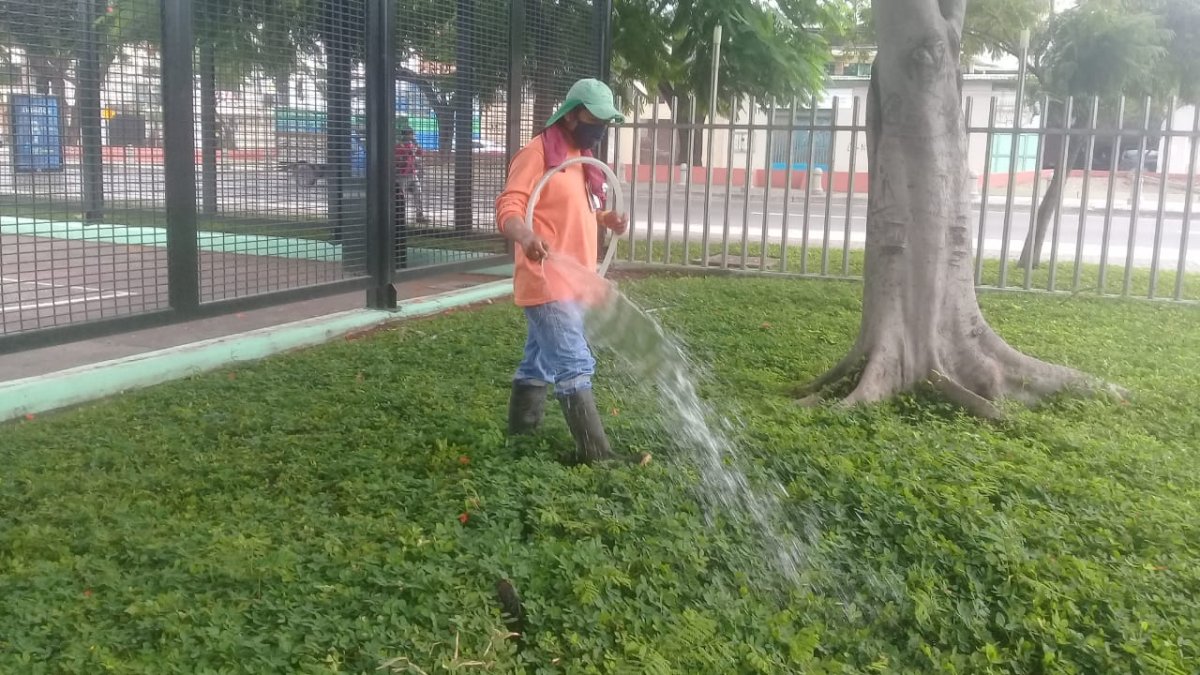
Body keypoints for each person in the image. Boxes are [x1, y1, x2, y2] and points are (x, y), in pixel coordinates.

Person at [494, 78, 646, 466]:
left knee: (539, 360)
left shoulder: (578, 160)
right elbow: (510, 208)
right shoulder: (537, 155)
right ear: (573, 113)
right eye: (596, 119)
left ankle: (521, 436)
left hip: (575, 279)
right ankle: (596, 454)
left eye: (606, 122)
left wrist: (604, 217)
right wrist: (526, 237)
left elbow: (566, 211)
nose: (601, 128)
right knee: (573, 360)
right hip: (546, 280)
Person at [394, 128, 428, 224]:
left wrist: (417, 145)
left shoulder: (413, 144)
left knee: (418, 193)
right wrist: (407, 153)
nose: (412, 137)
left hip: (412, 174)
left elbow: (421, 154)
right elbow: (397, 159)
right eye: (411, 135)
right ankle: (398, 217)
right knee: (400, 196)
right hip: (402, 175)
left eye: (413, 135)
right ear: (406, 135)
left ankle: (419, 215)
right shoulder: (398, 146)